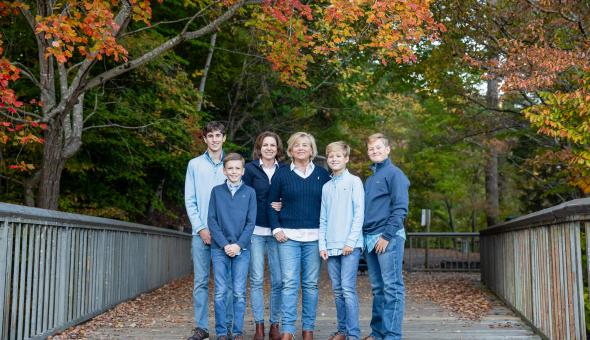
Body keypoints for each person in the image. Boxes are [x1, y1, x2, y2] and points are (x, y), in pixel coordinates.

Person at [268, 132, 331, 340]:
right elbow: (271, 203)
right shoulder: (282, 174)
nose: (301, 148)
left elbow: (330, 206)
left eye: (305, 145)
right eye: (297, 145)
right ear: (290, 150)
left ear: (312, 150)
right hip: (288, 238)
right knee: (289, 284)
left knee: (311, 285)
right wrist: (276, 229)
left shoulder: (323, 175)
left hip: (314, 238)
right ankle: (287, 331)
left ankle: (308, 330)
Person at [185, 121, 232, 340]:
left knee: (227, 282)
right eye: (210, 135)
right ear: (204, 139)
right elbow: (190, 200)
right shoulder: (194, 165)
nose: (214, 139)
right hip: (201, 234)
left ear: (224, 137)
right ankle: (201, 327)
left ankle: (227, 326)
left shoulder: (232, 164)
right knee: (201, 281)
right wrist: (201, 228)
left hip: (226, 235)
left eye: (218, 135)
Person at [362, 133, 410, 340]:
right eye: (371, 149)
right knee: (378, 289)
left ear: (388, 149)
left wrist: (387, 236)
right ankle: (377, 333)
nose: (375, 151)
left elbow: (400, 209)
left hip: (387, 237)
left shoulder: (395, 174)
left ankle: (392, 335)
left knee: (392, 287)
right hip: (370, 238)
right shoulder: (371, 178)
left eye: (379, 148)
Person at [208, 153, 257, 340]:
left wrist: (238, 245)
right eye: (230, 168)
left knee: (238, 292)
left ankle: (237, 332)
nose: (234, 171)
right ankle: (222, 332)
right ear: (224, 170)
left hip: (242, 250)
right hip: (219, 249)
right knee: (221, 291)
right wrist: (225, 244)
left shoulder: (249, 193)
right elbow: (212, 220)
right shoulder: (216, 192)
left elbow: (251, 223)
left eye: (237, 168)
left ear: (243, 171)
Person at [319, 141, 364, 340]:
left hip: (350, 246)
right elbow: (323, 218)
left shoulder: (354, 182)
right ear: (327, 160)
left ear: (346, 159)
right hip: (331, 245)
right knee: (337, 291)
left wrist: (350, 242)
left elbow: (359, 214)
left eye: (338, 156)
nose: (334, 159)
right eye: (331, 156)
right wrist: (322, 245)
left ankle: (353, 333)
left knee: (347, 289)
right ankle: (342, 330)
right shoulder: (326, 187)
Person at [243, 131, 286, 340]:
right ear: (259, 147)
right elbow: (245, 198)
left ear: (278, 149)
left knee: (278, 280)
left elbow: (291, 195)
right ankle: (259, 325)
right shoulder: (250, 169)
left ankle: (274, 324)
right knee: (257, 279)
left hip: (278, 232)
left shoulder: (285, 170)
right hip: (256, 232)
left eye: (273, 145)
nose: (269, 148)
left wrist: (283, 204)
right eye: (265, 145)